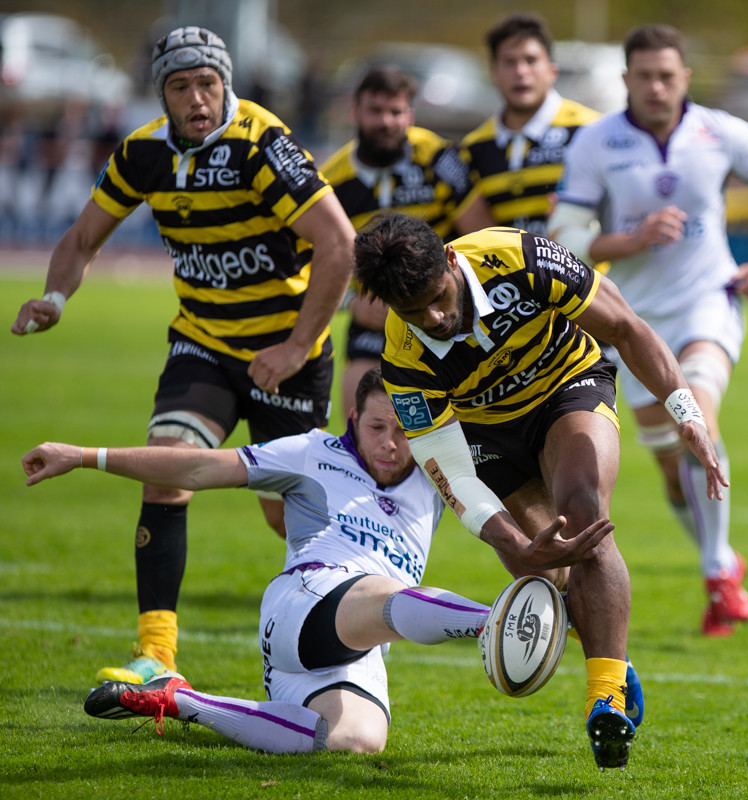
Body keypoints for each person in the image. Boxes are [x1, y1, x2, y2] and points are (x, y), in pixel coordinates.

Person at [10, 27, 356, 684]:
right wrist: (55, 297)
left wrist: (295, 346)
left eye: (207, 83)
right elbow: (82, 238)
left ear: (226, 84)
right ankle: (156, 654)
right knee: (166, 466)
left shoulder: (262, 144)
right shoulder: (141, 153)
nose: (197, 98)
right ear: (161, 95)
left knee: (288, 511)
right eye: (180, 86)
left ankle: (354, 611)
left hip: (285, 354)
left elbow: (339, 243)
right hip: (203, 344)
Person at [22, 370, 585, 754]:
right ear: (353, 418)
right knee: (384, 593)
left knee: (355, 741)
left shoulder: (436, 474)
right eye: (376, 427)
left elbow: (513, 485)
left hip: (357, 647)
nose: (390, 444)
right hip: (302, 605)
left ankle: (180, 698)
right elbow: (194, 468)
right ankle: (491, 622)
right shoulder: (311, 451)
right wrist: (84, 456)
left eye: (403, 431)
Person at [353, 212, 727, 770]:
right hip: (486, 435)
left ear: (451, 261)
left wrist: (686, 413)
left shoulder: (518, 258)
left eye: (437, 298)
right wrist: (516, 546)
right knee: (546, 572)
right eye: (413, 312)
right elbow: (450, 470)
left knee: (584, 517)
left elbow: (624, 327)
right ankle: (613, 656)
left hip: (567, 387)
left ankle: (605, 698)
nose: (434, 319)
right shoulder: (404, 359)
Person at [548, 24, 748, 636]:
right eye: (645, 76)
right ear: (626, 79)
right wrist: (631, 240)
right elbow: (564, 237)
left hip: (707, 303)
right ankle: (724, 561)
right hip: (632, 321)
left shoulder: (721, 131)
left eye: (667, 75)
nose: (657, 87)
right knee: (671, 466)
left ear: (685, 76)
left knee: (698, 416)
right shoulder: (596, 141)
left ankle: (717, 572)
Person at [321, 66, 472, 421]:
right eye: (376, 111)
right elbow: (313, 263)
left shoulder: (438, 158)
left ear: (410, 116)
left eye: (396, 111)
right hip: (376, 320)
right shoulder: (333, 181)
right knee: (362, 421)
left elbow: (481, 232)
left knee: (462, 425)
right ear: (355, 113)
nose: (386, 122)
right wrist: (353, 304)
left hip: (444, 307)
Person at [455, 12, 600, 236]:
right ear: (494, 74)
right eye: (509, 62)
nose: (521, 72)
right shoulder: (473, 147)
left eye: (531, 60)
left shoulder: (590, 129)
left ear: (552, 71)